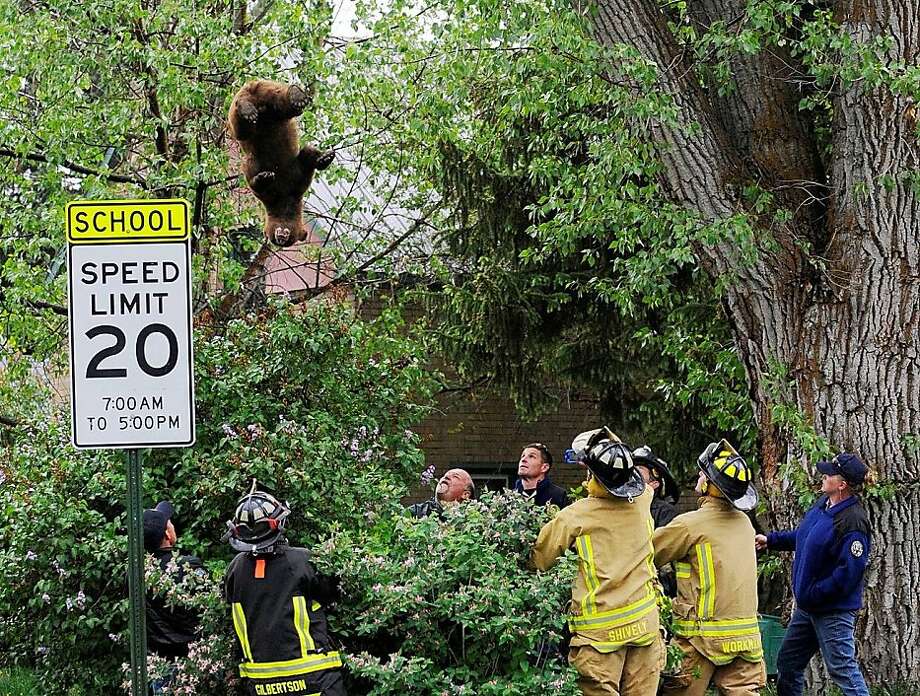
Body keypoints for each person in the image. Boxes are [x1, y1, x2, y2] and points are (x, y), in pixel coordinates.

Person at [532, 427, 662, 696]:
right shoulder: (643, 499)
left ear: (592, 474)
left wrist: (591, 457)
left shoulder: (575, 516)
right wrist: (610, 451)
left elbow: (539, 559)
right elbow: (625, 470)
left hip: (600, 636)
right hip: (644, 628)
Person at [653, 439, 766, 696]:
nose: (698, 478)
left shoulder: (689, 525)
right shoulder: (744, 524)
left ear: (709, 485)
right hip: (746, 639)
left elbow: (645, 554)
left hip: (700, 639)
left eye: (702, 474)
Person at [755, 453, 871, 696]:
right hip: (808, 609)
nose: (823, 475)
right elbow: (805, 537)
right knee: (788, 663)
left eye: (829, 474)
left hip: (832, 611)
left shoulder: (853, 522)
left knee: (843, 671)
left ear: (842, 485)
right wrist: (772, 540)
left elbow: (848, 575)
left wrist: (816, 593)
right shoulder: (823, 505)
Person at [223, 483, 346, 696]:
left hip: (260, 686)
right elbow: (334, 592)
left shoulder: (236, 569)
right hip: (315, 680)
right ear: (279, 524)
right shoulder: (301, 561)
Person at [143, 500, 206, 695]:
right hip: (194, 662)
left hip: (159, 665)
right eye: (169, 523)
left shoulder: (136, 573)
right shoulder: (190, 567)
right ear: (167, 535)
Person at [632, 445, 681, 597]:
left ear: (654, 483)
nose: (632, 474)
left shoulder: (665, 513)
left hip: (658, 591)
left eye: (639, 470)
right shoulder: (623, 507)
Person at [631, 445, 680, 527]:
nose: (633, 471)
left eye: (639, 468)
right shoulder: (619, 505)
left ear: (654, 483)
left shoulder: (665, 513)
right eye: (632, 467)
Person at [515, 442, 569, 508]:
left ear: (544, 467)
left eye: (531, 456)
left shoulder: (560, 497)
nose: (523, 460)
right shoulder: (507, 499)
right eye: (523, 456)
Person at [408, 468, 475, 518]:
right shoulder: (416, 512)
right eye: (445, 475)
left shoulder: (474, 520)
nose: (446, 477)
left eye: (455, 477)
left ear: (465, 494)